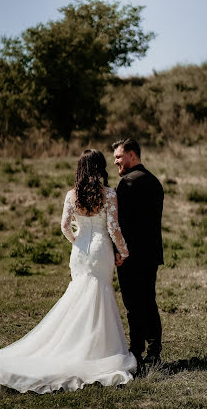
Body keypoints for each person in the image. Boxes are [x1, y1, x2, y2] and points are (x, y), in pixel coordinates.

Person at [0, 149, 136, 394]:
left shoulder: (71, 195)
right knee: (99, 296)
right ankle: (96, 349)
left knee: (79, 297)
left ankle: (77, 344)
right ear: (100, 167)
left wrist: (77, 240)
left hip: (81, 252)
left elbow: (64, 226)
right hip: (100, 250)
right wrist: (124, 251)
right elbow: (113, 228)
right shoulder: (108, 194)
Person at [112, 138, 163, 372]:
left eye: (119, 157)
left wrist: (119, 252)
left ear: (132, 155)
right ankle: (154, 350)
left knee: (133, 304)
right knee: (149, 301)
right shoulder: (154, 182)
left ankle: (136, 350)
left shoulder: (127, 184)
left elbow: (122, 224)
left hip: (131, 256)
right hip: (151, 254)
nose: (116, 163)